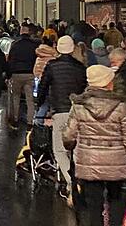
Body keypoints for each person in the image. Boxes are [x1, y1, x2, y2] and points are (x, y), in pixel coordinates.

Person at [64, 65, 126, 224]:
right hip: (115, 162)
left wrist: (72, 148)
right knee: (117, 200)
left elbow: (68, 136)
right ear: (108, 83)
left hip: (89, 162)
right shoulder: (120, 106)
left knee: (93, 205)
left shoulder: (79, 105)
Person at [37, 36, 87, 194]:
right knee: (77, 148)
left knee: (59, 149)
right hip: (77, 111)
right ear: (72, 49)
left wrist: (39, 102)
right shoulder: (80, 67)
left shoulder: (52, 66)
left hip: (59, 110)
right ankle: (79, 177)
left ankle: (70, 180)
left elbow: (43, 86)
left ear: (58, 48)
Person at [6, 26, 39, 129]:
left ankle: (15, 120)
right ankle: (30, 122)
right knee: (30, 99)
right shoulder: (34, 45)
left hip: (16, 74)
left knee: (15, 97)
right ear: (29, 33)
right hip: (29, 74)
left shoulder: (15, 45)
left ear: (20, 32)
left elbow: (10, 61)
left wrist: (8, 74)